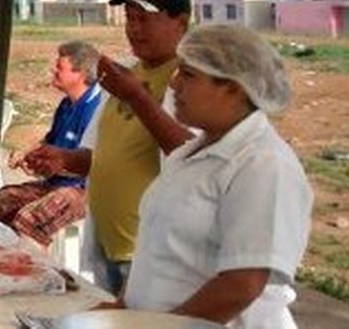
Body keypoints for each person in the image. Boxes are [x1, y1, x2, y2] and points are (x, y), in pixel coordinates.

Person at [110, 25, 313, 328]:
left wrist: (164, 327)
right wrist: (122, 308)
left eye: (189, 75)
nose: (174, 85)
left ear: (234, 87)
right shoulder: (187, 154)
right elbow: (156, 251)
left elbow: (241, 285)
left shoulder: (263, 165)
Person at [27, 0, 194, 294]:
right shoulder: (123, 75)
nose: (134, 28)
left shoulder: (189, 80)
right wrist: (60, 158)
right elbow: (94, 156)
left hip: (150, 250)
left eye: (144, 19)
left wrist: (137, 97)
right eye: (129, 18)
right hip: (110, 241)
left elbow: (192, 156)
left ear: (181, 23)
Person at [0, 41, 103, 246]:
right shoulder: (66, 104)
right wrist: (28, 154)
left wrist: (48, 165)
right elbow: (50, 142)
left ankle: (42, 272)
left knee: (28, 220)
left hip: (83, 191)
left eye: (59, 67)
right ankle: (1, 261)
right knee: (0, 202)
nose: (53, 71)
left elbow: (93, 165)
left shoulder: (95, 109)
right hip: (56, 185)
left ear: (79, 74)